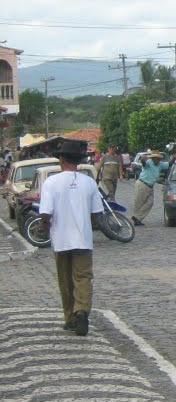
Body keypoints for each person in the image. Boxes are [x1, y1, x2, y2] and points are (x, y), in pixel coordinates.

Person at [38, 139, 103, 336]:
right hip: (83, 239)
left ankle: (70, 318)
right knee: (83, 278)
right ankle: (82, 310)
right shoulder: (89, 182)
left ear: (62, 159)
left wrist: (44, 227)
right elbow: (96, 214)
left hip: (61, 240)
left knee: (65, 281)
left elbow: (45, 213)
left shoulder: (51, 183)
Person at [131, 149, 168, 226]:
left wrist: (174, 158)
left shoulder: (160, 164)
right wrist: (142, 159)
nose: (158, 160)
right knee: (139, 202)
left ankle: (137, 217)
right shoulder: (148, 162)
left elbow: (168, 164)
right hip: (142, 184)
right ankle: (137, 219)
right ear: (153, 158)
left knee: (150, 203)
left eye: (159, 158)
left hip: (150, 186)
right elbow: (144, 164)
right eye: (156, 158)